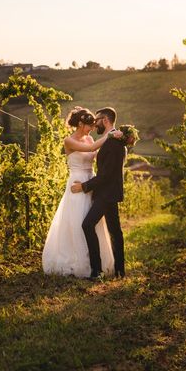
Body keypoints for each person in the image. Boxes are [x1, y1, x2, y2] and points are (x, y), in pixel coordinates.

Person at [42, 107, 122, 278]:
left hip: (91, 182)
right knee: (78, 221)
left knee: (91, 223)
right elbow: (92, 148)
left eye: (93, 124)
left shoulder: (89, 137)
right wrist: (109, 135)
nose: (92, 128)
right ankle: (78, 261)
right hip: (78, 183)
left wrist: (120, 144)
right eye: (89, 125)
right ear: (79, 124)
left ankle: (97, 265)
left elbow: (101, 154)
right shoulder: (69, 141)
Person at [71, 107, 126, 279]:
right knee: (115, 230)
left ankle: (97, 271)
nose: (95, 123)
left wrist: (85, 186)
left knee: (88, 225)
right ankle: (119, 270)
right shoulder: (114, 139)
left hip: (106, 193)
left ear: (105, 120)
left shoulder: (113, 141)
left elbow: (106, 174)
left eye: (97, 119)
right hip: (109, 192)